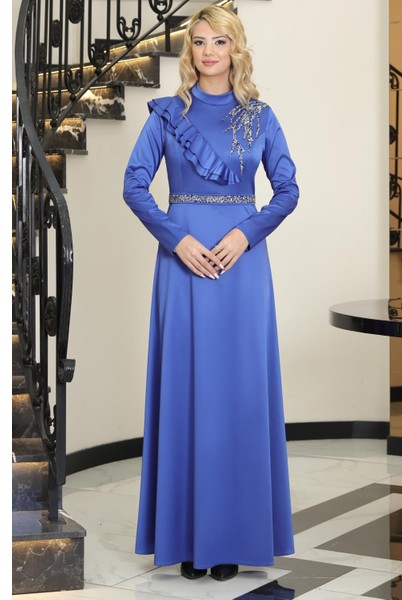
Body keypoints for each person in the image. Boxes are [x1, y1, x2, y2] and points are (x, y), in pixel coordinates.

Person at [123, 4, 299, 583]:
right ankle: (185, 539)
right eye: (198, 41)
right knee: (186, 390)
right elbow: (134, 185)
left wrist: (245, 234)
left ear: (235, 48)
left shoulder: (260, 117)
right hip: (183, 265)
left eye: (219, 41)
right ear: (189, 50)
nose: (207, 51)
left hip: (241, 268)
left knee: (238, 396)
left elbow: (287, 189)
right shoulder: (167, 115)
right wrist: (177, 239)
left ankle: (230, 540)